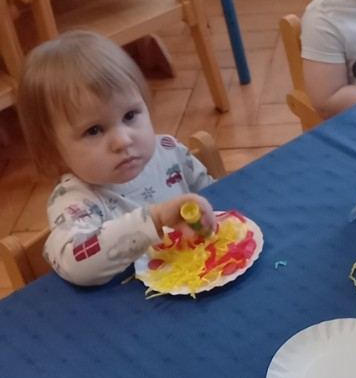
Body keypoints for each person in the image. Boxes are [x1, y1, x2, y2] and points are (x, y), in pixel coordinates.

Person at [16, 31, 217, 287]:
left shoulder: (169, 150)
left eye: (130, 115)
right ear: (53, 150)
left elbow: (217, 199)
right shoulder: (74, 201)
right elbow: (78, 265)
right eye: (94, 130)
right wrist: (154, 220)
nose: (122, 141)